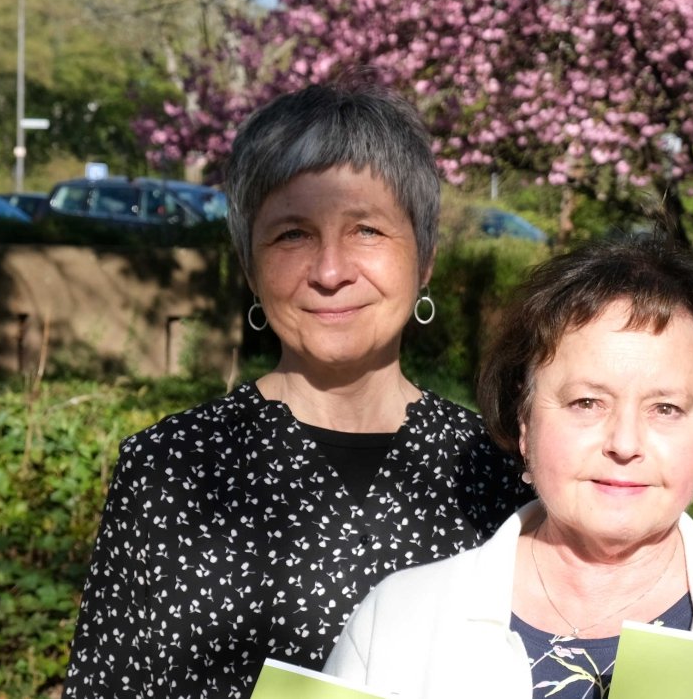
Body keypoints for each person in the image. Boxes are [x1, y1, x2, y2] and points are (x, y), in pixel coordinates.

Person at [64, 80, 528, 698]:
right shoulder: (169, 469)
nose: (330, 271)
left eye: (367, 230)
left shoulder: (496, 471)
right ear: (249, 266)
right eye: (292, 235)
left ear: (425, 260)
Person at [323, 236, 693, 696]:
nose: (625, 444)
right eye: (587, 402)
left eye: (666, 408)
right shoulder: (397, 621)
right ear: (524, 421)